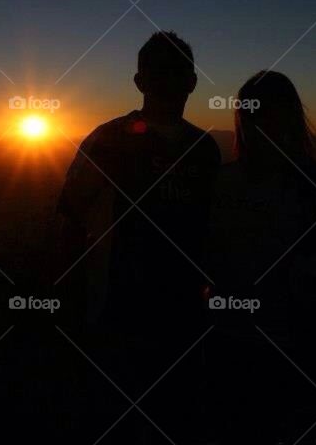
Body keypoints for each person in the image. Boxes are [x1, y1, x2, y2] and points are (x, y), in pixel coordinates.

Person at [54, 31, 220, 443]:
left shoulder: (204, 151)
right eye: (158, 71)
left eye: (176, 70)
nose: (167, 81)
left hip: (185, 320)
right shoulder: (108, 141)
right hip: (117, 317)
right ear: (140, 81)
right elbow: (69, 218)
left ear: (192, 81)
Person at [208, 70, 316, 444]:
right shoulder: (222, 184)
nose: (263, 125)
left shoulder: (314, 189)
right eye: (255, 115)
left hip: (289, 348)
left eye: (270, 114)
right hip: (233, 344)